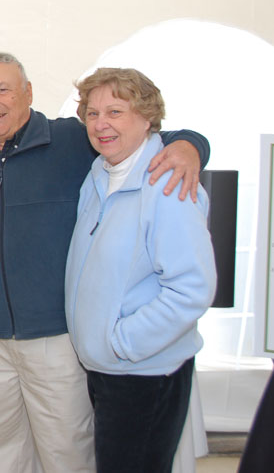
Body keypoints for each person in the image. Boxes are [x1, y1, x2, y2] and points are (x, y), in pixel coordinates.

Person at [0, 52, 209, 473]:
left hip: (57, 340)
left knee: (68, 453)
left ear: (28, 92)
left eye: (3, 90)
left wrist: (191, 145)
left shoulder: (75, 141)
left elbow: (148, 136)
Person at [64, 67, 216, 472]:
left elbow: (192, 289)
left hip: (142, 371)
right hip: (108, 368)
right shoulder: (100, 173)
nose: (101, 124)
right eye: (92, 113)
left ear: (147, 117)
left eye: (115, 112)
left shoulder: (168, 185)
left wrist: (122, 343)